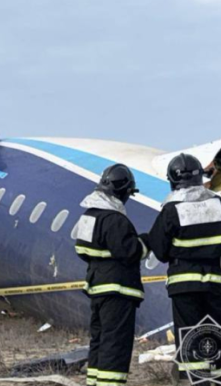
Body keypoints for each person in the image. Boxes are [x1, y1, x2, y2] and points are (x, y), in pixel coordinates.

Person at [143, 153, 221, 380]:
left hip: (184, 284)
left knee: (190, 335)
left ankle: (198, 380)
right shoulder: (220, 205)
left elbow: (160, 250)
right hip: (214, 281)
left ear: (173, 180)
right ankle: (220, 378)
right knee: (216, 331)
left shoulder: (171, 210)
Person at [75, 164, 148, 386]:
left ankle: (94, 382)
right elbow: (130, 252)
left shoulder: (88, 216)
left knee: (99, 340)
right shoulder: (116, 220)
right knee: (115, 343)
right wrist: (146, 241)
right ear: (123, 192)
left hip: (97, 287)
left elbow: (82, 250)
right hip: (117, 291)